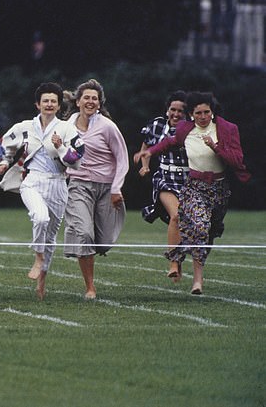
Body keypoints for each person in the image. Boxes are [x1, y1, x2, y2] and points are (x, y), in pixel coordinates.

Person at [134, 91, 250, 294]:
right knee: (199, 225)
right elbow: (169, 142)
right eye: (198, 113)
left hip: (219, 189)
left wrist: (216, 147)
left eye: (206, 112)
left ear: (212, 112)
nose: (202, 117)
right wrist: (149, 152)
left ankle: (186, 260)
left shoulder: (227, 129)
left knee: (209, 233)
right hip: (194, 186)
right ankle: (197, 280)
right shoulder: (185, 129)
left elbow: (237, 160)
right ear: (192, 114)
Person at [0, 82, 84, 299]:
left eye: (53, 101)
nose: (50, 104)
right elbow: (4, 144)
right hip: (32, 181)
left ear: (58, 104)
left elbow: (77, 160)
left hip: (59, 184)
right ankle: (37, 256)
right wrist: (4, 162)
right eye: (46, 101)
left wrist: (61, 146)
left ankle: (41, 284)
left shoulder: (66, 129)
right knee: (40, 218)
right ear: (38, 104)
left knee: (51, 236)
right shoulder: (25, 127)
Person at [62, 79, 129, 300]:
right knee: (84, 233)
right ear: (78, 101)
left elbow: (122, 159)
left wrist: (116, 188)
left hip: (106, 187)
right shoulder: (65, 127)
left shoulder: (108, 127)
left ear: (99, 104)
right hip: (78, 184)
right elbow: (61, 157)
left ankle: (96, 248)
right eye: (86, 98)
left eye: (95, 98)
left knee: (104, 239)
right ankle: (90, 287)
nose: (90, 102)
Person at [134, 91, 188, 281]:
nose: (176, 114)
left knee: (186, 223)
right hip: (165, 178)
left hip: (189, 180)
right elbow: (145, 145)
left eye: (180, 111)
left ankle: (179, 261)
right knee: (176, 215)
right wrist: (145, 166)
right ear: (167, 111)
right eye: (172, 109)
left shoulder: (192, 128)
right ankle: (173, 262)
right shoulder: (157, 125)